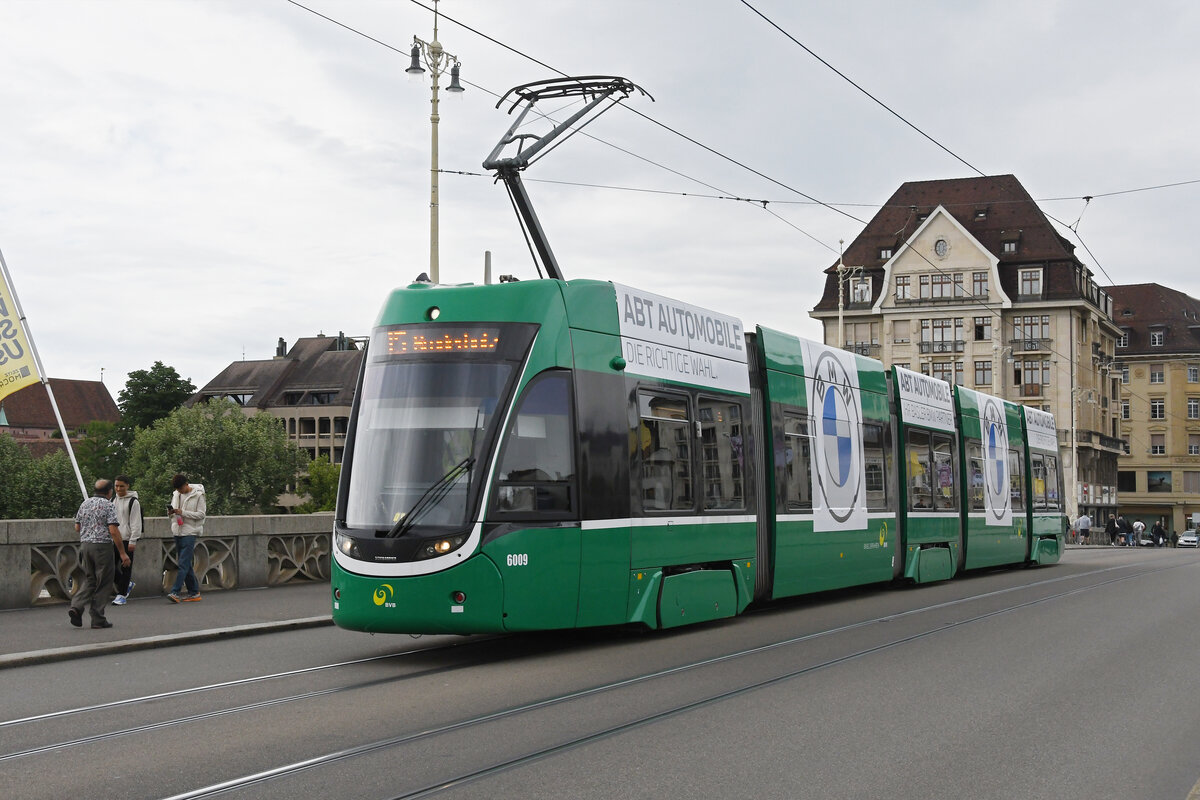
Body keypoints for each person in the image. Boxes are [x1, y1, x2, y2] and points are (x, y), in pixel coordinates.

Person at [68, 479, 131, 629]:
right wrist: (122, 553)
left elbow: (77, 527)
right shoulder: (109, 505)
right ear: (109, 491)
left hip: (86, 546)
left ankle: (76, 606)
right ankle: (97, 618)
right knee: (104, 582)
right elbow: (113, 531)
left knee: (90, 579)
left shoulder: (85, 504)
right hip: (102, 547)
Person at [167, 473, 207, 603]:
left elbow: (201, 515)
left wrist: (183, 512)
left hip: (190, 532)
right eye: (177, 489)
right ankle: (194, 592)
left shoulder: (198, 495)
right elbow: (174, 514)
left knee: (183, 563)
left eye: (181, 488)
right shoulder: (176, 494)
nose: (179, 491)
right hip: (177, 530)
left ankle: (175, 591)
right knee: (186, 563)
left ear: (186, 484)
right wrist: (171, 513)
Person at [111, 474, 142, 605]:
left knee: (126, 568)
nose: (118, 489)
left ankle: (122, 595)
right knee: (109, 567)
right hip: (114, 538)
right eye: (116, 486)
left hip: (127, 538)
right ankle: (126, 584)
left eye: (121, 486)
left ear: (127, 486)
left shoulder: (133, 502)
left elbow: (136, 522)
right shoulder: (113, 500)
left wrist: (133, 540)